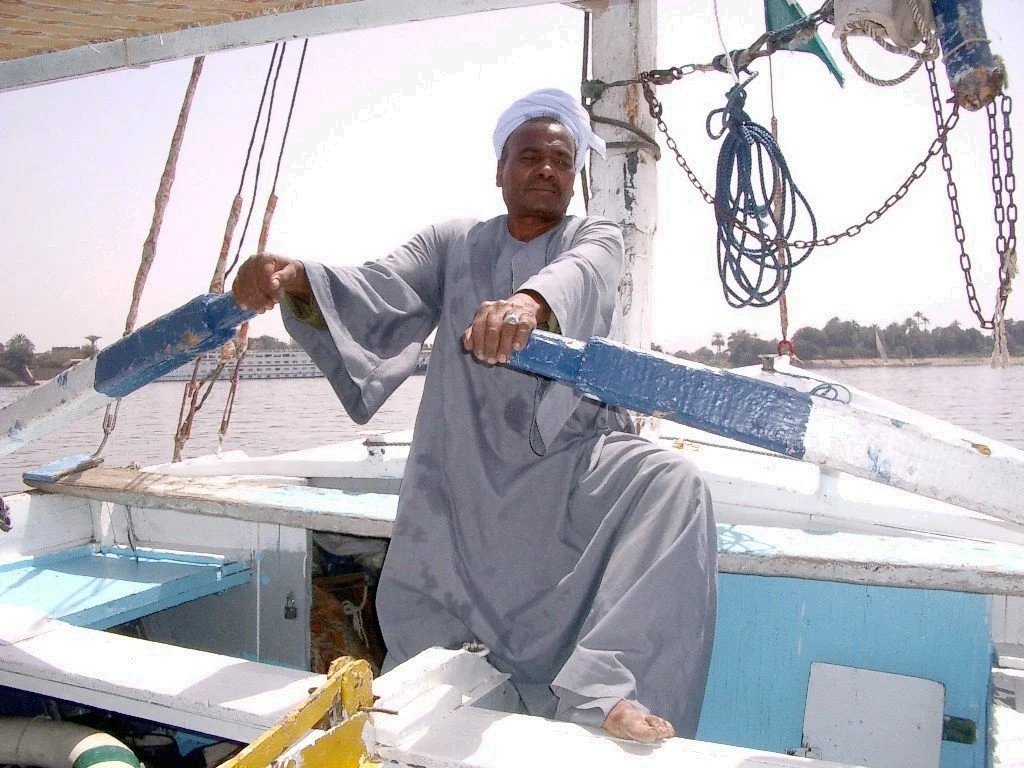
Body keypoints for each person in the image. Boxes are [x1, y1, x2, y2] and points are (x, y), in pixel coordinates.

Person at [232, 88, 717, 743]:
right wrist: (296, 279)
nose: (546, 169)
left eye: (561, 160)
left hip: (571, 463)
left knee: (673, 483)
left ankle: (608, 689)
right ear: (500, 170)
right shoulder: (453, 243)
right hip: (466, 472)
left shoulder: (596, 235)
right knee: (436, 630)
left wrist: (526, 304)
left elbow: (581, 274)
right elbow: (379, 286)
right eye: (529, 156)